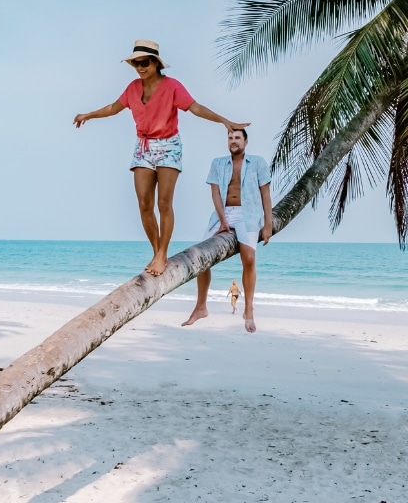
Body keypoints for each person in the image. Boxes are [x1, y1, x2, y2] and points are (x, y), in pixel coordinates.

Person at [74, 39, 249, 277]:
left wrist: (224, 121)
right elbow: (114, 107)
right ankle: (157, 251)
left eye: (144, 62)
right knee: (144, 205)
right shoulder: (133, 88)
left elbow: (195, 107)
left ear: (156, 63)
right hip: (143, 147)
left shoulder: (172, 86)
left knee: (163, 204)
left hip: (169, 146)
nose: (140, 67)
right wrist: (89, 114)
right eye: (135, 63)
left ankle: (163, 254)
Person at [182, 128, 272, 333]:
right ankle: (201, 306)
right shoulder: (218, 163)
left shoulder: (258, 163)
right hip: (222, 213)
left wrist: (267, 225)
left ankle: (248, 309)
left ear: (246, 142)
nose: (233, 141)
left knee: (248, 259)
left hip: (248, 214)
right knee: (202, 257)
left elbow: (265, 195)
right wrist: (223, 220)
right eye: (230, 138)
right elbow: (215, 194)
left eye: (237, 138)